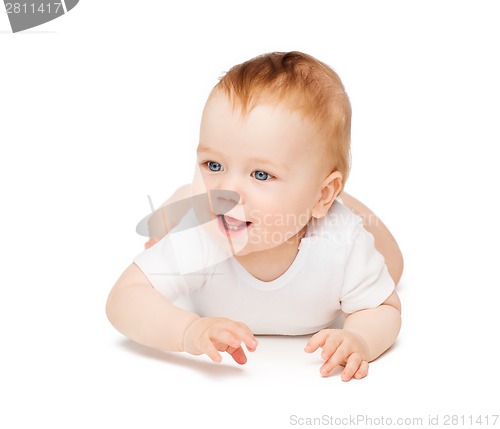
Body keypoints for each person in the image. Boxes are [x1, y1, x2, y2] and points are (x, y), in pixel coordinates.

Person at [106, 51, 404, 382]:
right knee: (182, 212)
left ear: (323, 194)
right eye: (213, 165)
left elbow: (382, 308)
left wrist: (360, 338)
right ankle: (180, 202)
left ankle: (334, 198)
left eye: (261, 174)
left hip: (326, 214)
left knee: (392, 265)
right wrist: (188, 329)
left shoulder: (341, 241)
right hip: (210, 212)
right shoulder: (203, 232)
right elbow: (124, 299)